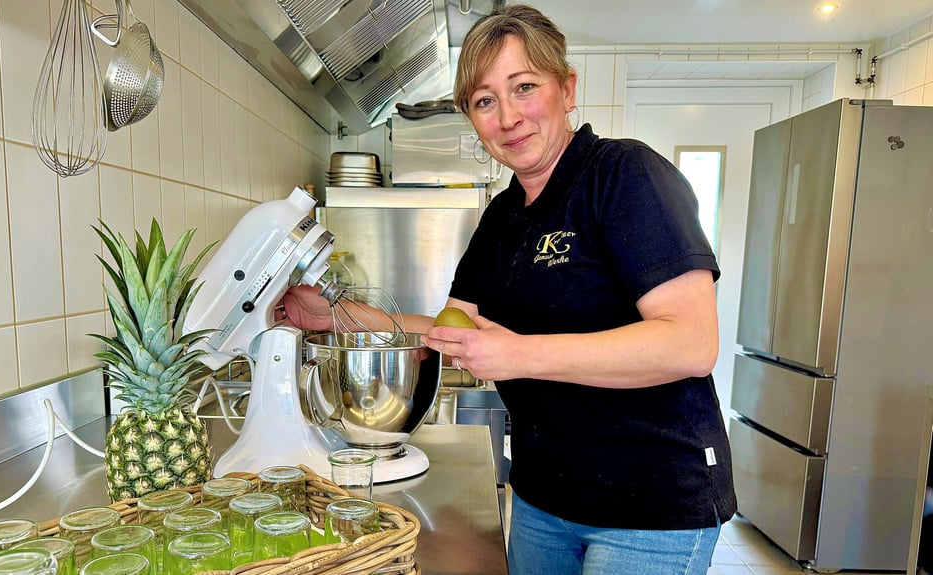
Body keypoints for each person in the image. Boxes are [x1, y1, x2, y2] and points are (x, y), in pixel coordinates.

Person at [281, 4, 736, 574]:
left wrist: (517, 354)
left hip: (651, 504)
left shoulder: (625, 175)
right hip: (545, 497)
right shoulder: (502, 217)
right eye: (484, 101)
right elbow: (451, 330)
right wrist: (335, 314)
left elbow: (691, 343)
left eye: (524, 87)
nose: (508, 117)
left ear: (567, 89)